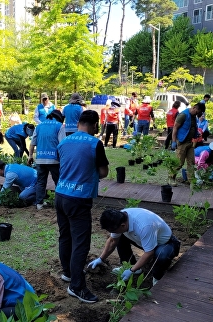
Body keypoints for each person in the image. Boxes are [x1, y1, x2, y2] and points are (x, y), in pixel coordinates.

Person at [55, 110, 109, 304]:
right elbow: (103, 172)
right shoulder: (95, 143)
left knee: (65, 236)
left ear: (78, 123)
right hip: (78, 199)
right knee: (81, 243)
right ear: (94, 125)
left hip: (60, 195)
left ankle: (68, 273)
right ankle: (76, 286)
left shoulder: (63, 142)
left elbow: (64, 164)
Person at [87, 208, 180, 287]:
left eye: (113, 230)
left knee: (161, 255)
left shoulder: (144, 226)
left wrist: (131, 271)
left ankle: (157, 278)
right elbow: (112, 241)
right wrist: (101, 259)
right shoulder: (119, 218)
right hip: (145, 240)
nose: (112, 232)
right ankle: (130, 265)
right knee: (119, 237)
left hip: (166, 243)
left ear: (123, 225)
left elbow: (149, 252)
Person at [28, 110, 65, 210]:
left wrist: (30, 156)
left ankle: (39, 204)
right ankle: (59, 204)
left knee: (41, 181)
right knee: (58, 181)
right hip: (54, 160)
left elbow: (32, 143)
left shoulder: (39, 126)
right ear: (59, 118)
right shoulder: (59, 126)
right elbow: (62, 144)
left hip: (40, 159)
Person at [171, 103, 206, 188]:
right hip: (182, 142)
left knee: (191, 163)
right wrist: (174, 141)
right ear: (194, 108)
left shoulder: (194, 116)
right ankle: (171, 178)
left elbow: (193, 126)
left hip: (190, 142)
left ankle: (192, 181)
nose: (198, 114)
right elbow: (175, 128)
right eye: (198, 112)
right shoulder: (183, 115)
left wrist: (196, 133)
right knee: (179, 163)